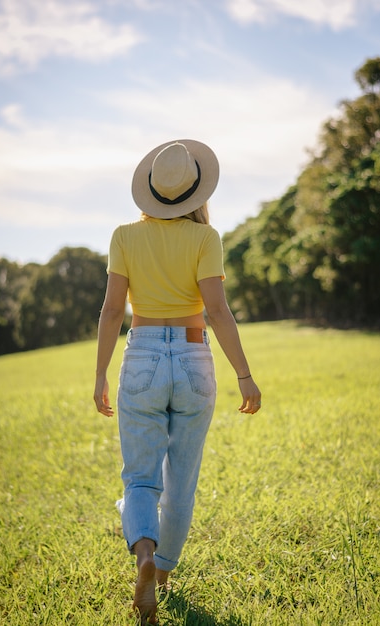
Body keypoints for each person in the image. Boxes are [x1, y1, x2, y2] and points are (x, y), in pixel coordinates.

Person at [93, 139, 261, 625]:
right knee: (181, 480)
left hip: (142, 352)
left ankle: (144, 554)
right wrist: (244, 375)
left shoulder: (124, 235)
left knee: (140, 476)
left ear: (150, 189)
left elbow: (110, 312)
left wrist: (101, 372)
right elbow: (217, 312)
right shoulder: (206, 240)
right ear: (194, 191)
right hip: (193, 356)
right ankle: (163, 572)